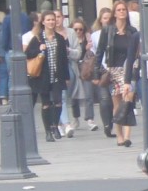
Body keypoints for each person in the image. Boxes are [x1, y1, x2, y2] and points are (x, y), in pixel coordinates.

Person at [97, 2, 140, 147]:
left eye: (124, 10)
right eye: (119, 10)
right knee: (117, 103)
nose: (122, 12)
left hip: (129, 68)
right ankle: (119, 135)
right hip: (113, 69)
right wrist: (98, 71)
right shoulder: (108, 30)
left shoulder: (132, 31)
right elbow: (100, 51)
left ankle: (127, 136)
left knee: (128, 99)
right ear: (114, 13)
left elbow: (137, 51)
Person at [24, 10, 71, 143]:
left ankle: (55, 125)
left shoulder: (60, 39)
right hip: (43, 77)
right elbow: (28, 54)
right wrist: (39, 49)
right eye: (48, 20)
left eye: (53, 19)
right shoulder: (38, 38)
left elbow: (63, 59)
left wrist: (66, 77)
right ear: (43, 22)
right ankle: (48, 131)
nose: (51, 22)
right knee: (46, 104)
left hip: (57, 75)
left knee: (57, 102)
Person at [66, 18, 98, 131]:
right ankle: (75, 118)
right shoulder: (69, 38)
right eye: (76, 29)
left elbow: (93, 53)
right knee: (74, 94)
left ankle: (90, 119)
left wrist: (89, 49)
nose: (78, 32)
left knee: (88, 93)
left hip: (86, 68)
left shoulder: (88, 38)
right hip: (74, 67)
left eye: (81, 29)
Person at [90, 6, 116, 136]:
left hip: (116, 68)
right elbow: (96, 54)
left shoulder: (117, 32)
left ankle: (112, 122)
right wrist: (96, 73)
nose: (107, 20)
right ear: (100, 20)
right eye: (104, 18)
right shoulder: (95, 35)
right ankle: (107, 125)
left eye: (109, 18)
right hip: (103, 69)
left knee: (115, 99)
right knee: (104, 98)